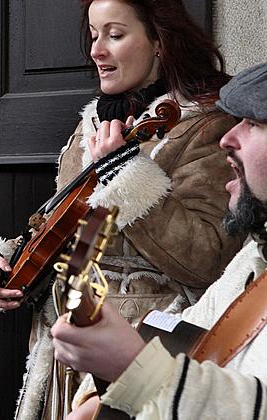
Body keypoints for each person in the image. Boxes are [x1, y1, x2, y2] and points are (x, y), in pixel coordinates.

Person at [0, 0, 245, 419]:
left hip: (146, 353)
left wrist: (129, 174)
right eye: (94, 35)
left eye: (114, 34)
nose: (96, 51)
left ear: (160, 41)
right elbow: (72, 232)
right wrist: (9, 266)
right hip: (69, 356)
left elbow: (208, 258)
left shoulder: (205, 128)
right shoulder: (91, 125)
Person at [52, 61, 267, 420]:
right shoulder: (254, 257)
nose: (229, 138)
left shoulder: (198, 129)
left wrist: (136, 371)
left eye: (255, 124)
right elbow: (186, 331)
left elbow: (200, 258)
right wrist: (99, 400)